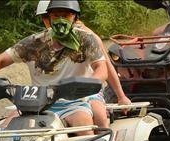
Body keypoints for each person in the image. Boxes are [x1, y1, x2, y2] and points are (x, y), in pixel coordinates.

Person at [0, 0, 107, 136]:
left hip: (72, 103)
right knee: (4, 133)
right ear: (49, 18)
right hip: (35, 104)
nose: (60, 20)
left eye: (65, 16)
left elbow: (102, 68)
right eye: (55, 16)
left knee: (85, 130)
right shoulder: (34, 42)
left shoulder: (86, 40)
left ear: (75, 17)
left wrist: (88, 84)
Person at [35, 0, 131, 129]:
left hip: (86, 91)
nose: (53, 20)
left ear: (72, 16)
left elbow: (106, 66)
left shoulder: (87, 37)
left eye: (63, 15)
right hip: (51, 95)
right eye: (47, 16)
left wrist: (121, 96)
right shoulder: (40, 40)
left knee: (100, 116)